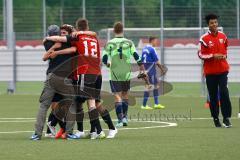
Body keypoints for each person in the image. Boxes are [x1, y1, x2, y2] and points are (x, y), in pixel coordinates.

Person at [30, 25, 95, 140]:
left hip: (51, 77)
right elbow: (75, 47)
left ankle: (37, 134)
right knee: (72, 105)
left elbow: (46, 49)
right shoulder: (70, 42)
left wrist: (51, 43)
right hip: (65, 78)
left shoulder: (48, 43)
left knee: (44, 106)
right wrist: (74, 31)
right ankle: (69, 133)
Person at [102, 22, 145, 127]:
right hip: (126, 73)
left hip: (115, 73)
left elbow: (104, 59)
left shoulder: (110, 43)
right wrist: (141, 68)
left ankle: (120, 120)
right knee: (125, 95)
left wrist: (108, 65)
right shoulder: (129, 42)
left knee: (117, 96)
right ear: (122, 30)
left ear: (113, 31)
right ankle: (125, 117)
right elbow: (136, 56)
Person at [198, 14, 232, 128]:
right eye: (212, 23)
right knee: (213, 96)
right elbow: (200, 54)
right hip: (210, 72)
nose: (214, 24)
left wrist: (224, 56)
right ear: (208, 25)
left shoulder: (223, 36)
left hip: (223, 70)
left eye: (216, 22)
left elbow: (226, 49)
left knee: (224, 92)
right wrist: (213, 56)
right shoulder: (203, 39)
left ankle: (226, 118)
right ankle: (216, 118)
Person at [141, 37, 166, 110]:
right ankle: (145, 105)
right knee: (151, 86)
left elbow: (141, 60)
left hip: (145, 68)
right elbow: (157, 61)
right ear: (152, 41)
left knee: (152, 85)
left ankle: (156, 104)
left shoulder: (144, 48)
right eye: (156, 41)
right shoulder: (152, 49)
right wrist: (162, 69)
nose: (156, 43)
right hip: (150, 68)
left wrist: (142, 71)